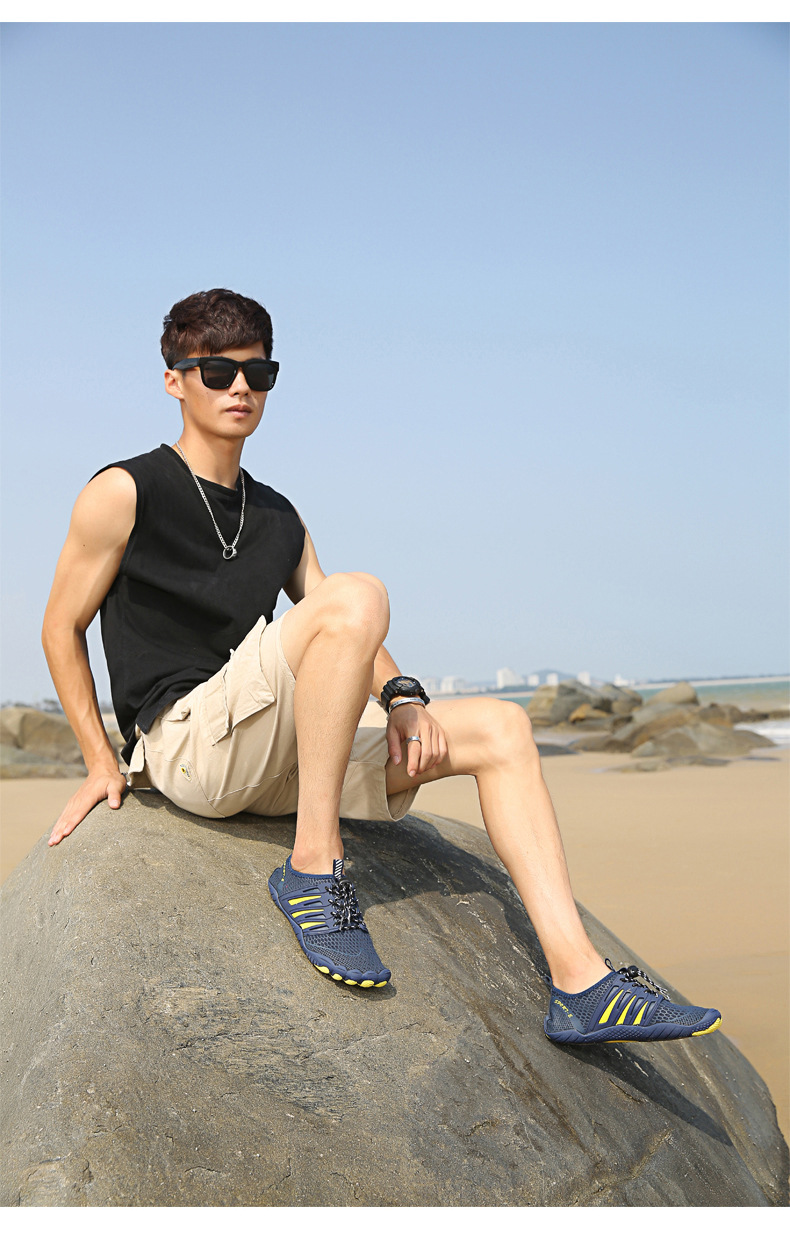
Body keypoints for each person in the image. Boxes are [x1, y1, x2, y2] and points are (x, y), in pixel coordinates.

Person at [42, 288, 721, 1045]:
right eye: (218, 372)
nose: (240, 389)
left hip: (272, 760)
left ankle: (580, 982)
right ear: (174, 380)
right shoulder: (124, 490)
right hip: (190, 747)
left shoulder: (279, 516)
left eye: (258, 374)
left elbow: (342, 626)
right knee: (358, 593)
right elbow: (60, 626)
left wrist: (402, 697)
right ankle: (314, 866)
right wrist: (100, 759)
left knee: (502, 728)